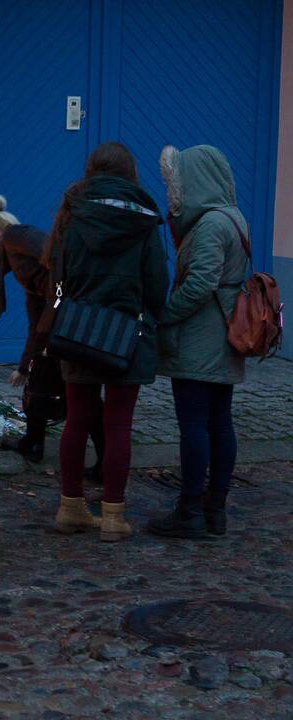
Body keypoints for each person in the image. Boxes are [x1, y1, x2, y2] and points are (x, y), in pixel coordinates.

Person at [43, 142, 169, 542]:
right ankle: (113, 515)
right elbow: (156, 284)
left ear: (91, 171)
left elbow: (57, 274)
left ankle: (71, 507)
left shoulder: (72, 214)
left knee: (76, 420)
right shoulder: (146, 219)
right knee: (118, 425)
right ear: (129, 173)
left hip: (79, 329)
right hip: (127, 333)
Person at [146, 145, 247, 539]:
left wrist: (166, 315)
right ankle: (214, 510)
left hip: (202, 339)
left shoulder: (209, 225)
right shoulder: (233, 217)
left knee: (195, 426)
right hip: (223, 337)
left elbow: (200, 284)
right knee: (220, 423)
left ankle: (190, 510)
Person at [0, 199, 105, 476]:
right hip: (60, 315)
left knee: (83, 393)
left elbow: (57, 263)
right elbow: (35, 320)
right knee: (44, 377)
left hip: (70, 314)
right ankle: (33, 443)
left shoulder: (16, 236)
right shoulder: (16, 262)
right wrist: (24, 365)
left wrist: (58, 301)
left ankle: (104, 460)